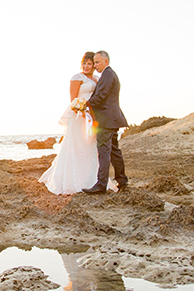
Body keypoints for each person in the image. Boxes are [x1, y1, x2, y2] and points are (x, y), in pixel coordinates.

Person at [39, 52, 116, 195]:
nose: (86, 66)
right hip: (79, 115)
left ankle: (93, 180)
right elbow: (73, 99)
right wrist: (81, 110)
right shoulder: (77, 78)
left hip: (92, 115)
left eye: (90, 64)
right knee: (76, 145)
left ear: (94, 65)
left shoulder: (97, 78)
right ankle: (71, 180)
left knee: (90, 146)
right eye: (84, 63)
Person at [82, 50, 129, 194]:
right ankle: (122, 181)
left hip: (106, 120)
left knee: (104, 151)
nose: (95, 65)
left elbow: (101, 96)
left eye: (97, 62)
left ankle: (101, 184)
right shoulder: (109, 74)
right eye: (94, 62)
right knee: (114, 151)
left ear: (106, 62)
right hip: (112, 119)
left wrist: (86, 105)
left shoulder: (108, 74)